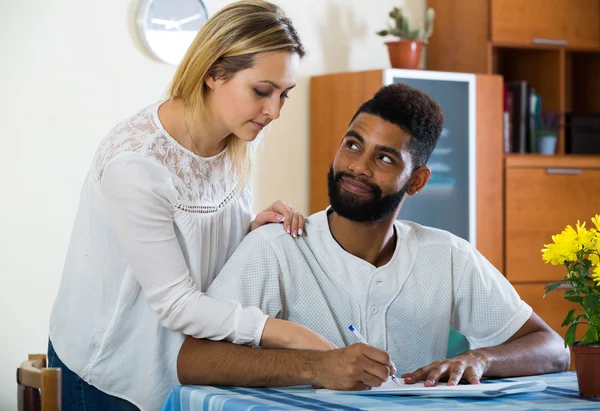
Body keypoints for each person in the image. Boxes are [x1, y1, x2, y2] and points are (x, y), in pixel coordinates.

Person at [176, 83, 570, 391]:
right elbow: (193, 361)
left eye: (384, 158)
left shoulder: (448, 256)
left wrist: (482, 359)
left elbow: (552, 349)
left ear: (416, 181)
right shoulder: (275, 247)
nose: (357, 167)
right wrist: (317, 368)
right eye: (352, 145)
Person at [48, 2, 336, 410]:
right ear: (214, 72)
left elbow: (196, 248)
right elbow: (177, 303)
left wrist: (251, 232)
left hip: (181, 356)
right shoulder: (137, 164)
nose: (274, 111)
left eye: (284, 95)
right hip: (108, 367)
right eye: (262, 91)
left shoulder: (239, 137)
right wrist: (289, 335)